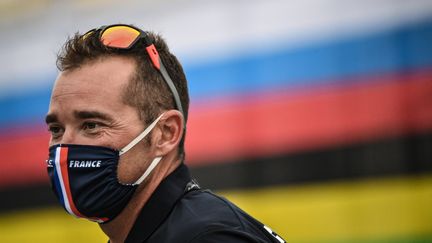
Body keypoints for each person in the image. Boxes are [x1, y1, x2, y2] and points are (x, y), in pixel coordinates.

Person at [45, 24, 285, 243]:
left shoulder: (207, 238)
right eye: (56, 129)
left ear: (166, 133)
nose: (64, 147)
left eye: (91, 125)